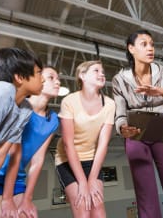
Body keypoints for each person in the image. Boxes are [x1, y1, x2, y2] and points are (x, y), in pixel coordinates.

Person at [112, 30, 163, 218]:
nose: (150, 48)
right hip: (135, 135)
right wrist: (123, 128)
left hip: (161, 132)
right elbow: (120, 114)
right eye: (144, 44)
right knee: (145, 194)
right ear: (131, 49)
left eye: (152, 44)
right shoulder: (119, 80)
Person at [0, 66, 60, 217]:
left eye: (58, 79)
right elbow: (12, 153)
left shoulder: (53, 120)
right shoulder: (20, 108)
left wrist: (27, 198)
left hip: (17, 179)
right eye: (51, 77)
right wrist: (7, 199)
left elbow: (38, 160)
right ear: (39, 79)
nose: (57, 82)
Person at [55, 60, 115, 218]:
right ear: (82, 76)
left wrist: (92, 178)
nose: (102, 74)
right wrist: (83, 182)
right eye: (96, 70)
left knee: (98, 206)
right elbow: (68, 144)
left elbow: (103, 144)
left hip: (91, 160)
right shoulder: (69, 101)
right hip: (67, 161)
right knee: (83, 208)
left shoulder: (109, 104)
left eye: (102, 71)